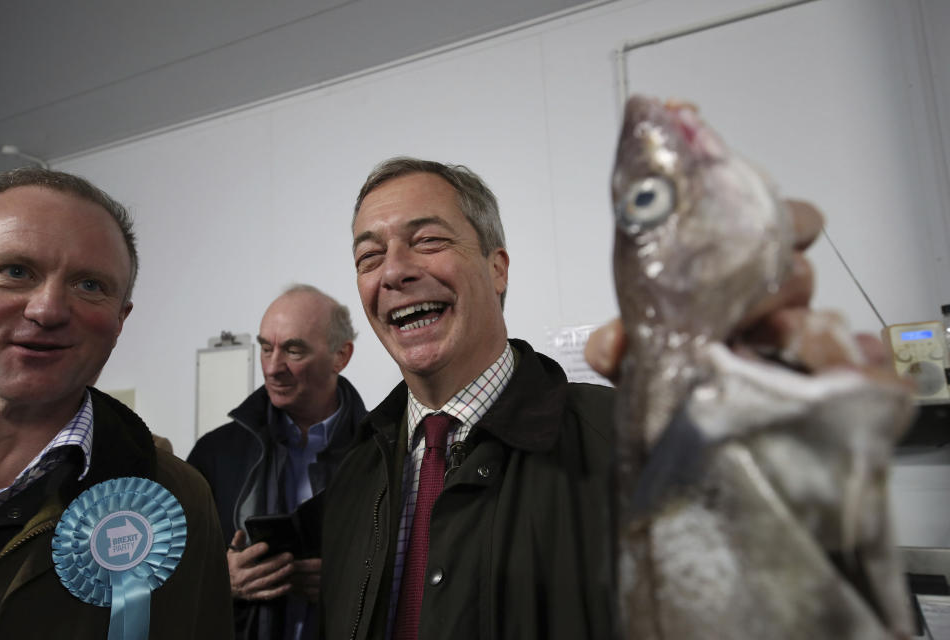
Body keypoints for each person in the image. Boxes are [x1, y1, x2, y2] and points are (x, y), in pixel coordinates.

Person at [319, 157, 896, 640]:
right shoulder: (354, 476)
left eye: (428, 241)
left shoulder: (633, 443)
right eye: (369, 257)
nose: (394, 270)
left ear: (497, 268)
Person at [0, 167, 233, 638]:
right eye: (15, 271)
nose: (47, 310)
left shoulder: (177, 498)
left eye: (90, 286)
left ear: (120, 320)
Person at [188, 285, 367, 640]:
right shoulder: (214, 454)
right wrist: (220, 581)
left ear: (341, 356)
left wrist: (355, 583)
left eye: (293, 350)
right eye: (265, 348)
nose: (272, 368)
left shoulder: (382, 453)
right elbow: (165, 571)